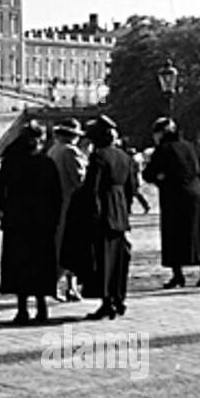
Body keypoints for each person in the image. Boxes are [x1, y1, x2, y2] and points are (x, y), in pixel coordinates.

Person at [0, 119, 62, 324]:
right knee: (41, 263)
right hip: (42, 221)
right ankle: (42, 307)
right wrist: (54, 217)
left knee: (20, 264)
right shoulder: (46, 163)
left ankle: (22, 309)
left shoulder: (10, 162)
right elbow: (56, 194)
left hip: (17, 220)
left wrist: (7, 208)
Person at [144, 117, 200, 288]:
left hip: (173, 195)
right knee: (198, 233)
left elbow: (148, 174)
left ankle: (178, 274)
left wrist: (160, 178)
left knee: (173, 235)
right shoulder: (191, 147)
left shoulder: (163, 149)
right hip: (195, 193)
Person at [80, 115, 137, 320]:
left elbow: (92, 189)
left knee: (104, 259)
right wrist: (125, 209)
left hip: (104, 211)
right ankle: (118, 297)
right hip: (119, 211)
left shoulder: (98, 157)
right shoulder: (124, 157)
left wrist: (93, 214)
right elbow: (131, 188)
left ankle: (106, 302)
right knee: (119, 259)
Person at [47, 118, 87, 301]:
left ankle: (70, 287)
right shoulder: (71, 152)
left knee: (62, 245)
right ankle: (56, 284)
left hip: (56, 203)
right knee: (69, 246)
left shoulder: (53, 150)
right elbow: (80, 180)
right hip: (72, 205)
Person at [124, 144, 151, 214]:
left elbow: (135, 171)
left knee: (133, 194)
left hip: (133, 180)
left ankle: (145, 206)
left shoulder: (132, 161)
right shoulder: (134, 161)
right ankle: (129, 209)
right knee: (133, 194)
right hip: (134, 179)